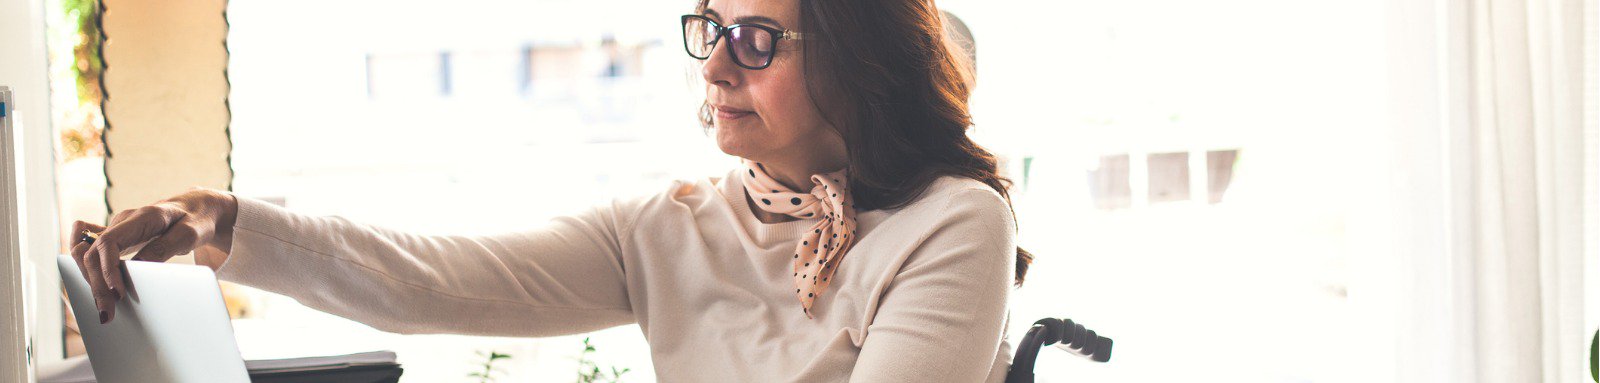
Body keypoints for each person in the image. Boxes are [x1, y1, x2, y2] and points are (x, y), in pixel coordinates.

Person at [69, 0, 1034, 380]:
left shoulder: (951, 222)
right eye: (711, 29)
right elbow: (433, 278)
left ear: (861, 62)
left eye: (757, 39)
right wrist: (217, 218)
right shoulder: (672, 224)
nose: (714, 67)